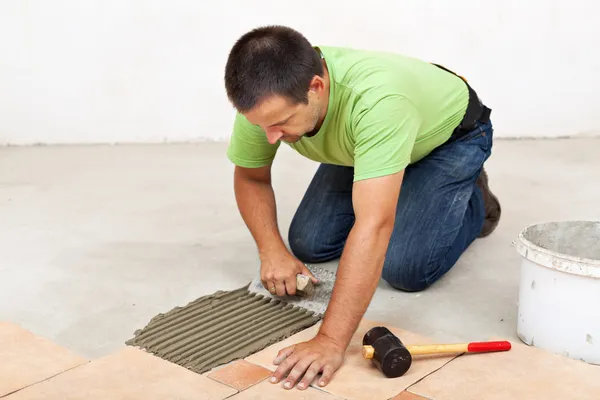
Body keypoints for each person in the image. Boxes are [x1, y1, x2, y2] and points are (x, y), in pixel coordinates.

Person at [223, 25, 501, 390]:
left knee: (406, 269)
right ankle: (386, 175)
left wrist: (330, 342)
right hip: (364, 143)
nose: (270, 136)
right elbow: (251, 178)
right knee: (309, 243)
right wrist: (270, 250)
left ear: (316, 87)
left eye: (281, 123)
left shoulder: (378, 102)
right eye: (262, 126)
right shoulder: (265, 102)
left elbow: (374, 225)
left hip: (451, 139)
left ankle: (475, 200)